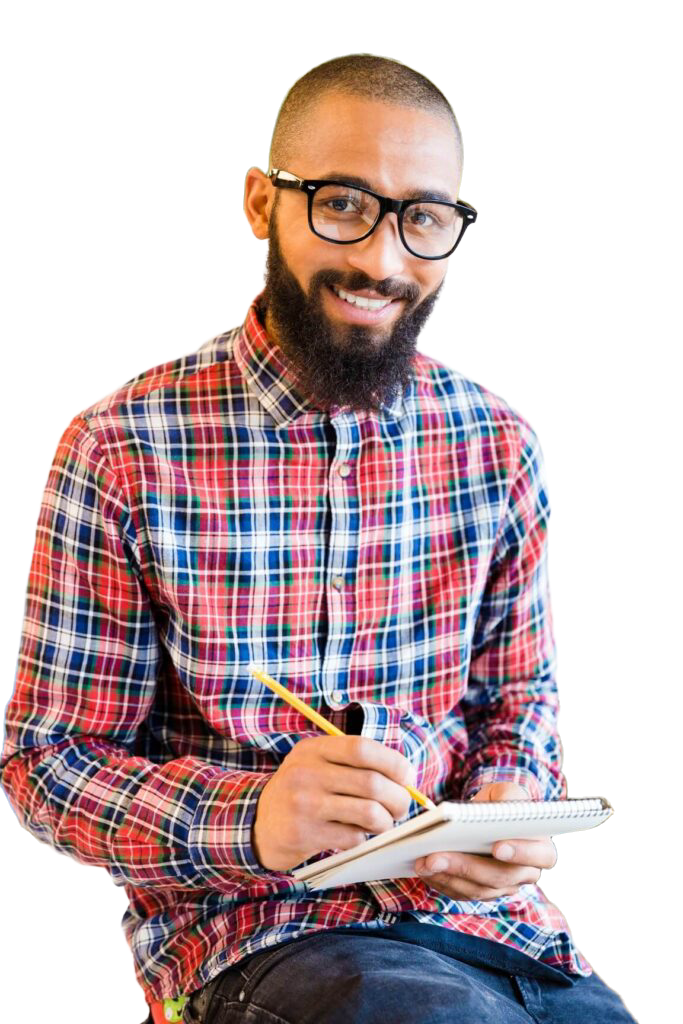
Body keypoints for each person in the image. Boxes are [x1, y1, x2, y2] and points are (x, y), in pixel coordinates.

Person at [1, 53, 636, 1024]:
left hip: (498, 933)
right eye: (341, 202)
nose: (383, 260)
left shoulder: (498, 445)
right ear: (261, 203)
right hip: (259, 936)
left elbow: (519, 709)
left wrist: (506, 802)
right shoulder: (119, 447)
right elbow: (48, 764)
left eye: (422, 218)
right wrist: (254, 818)